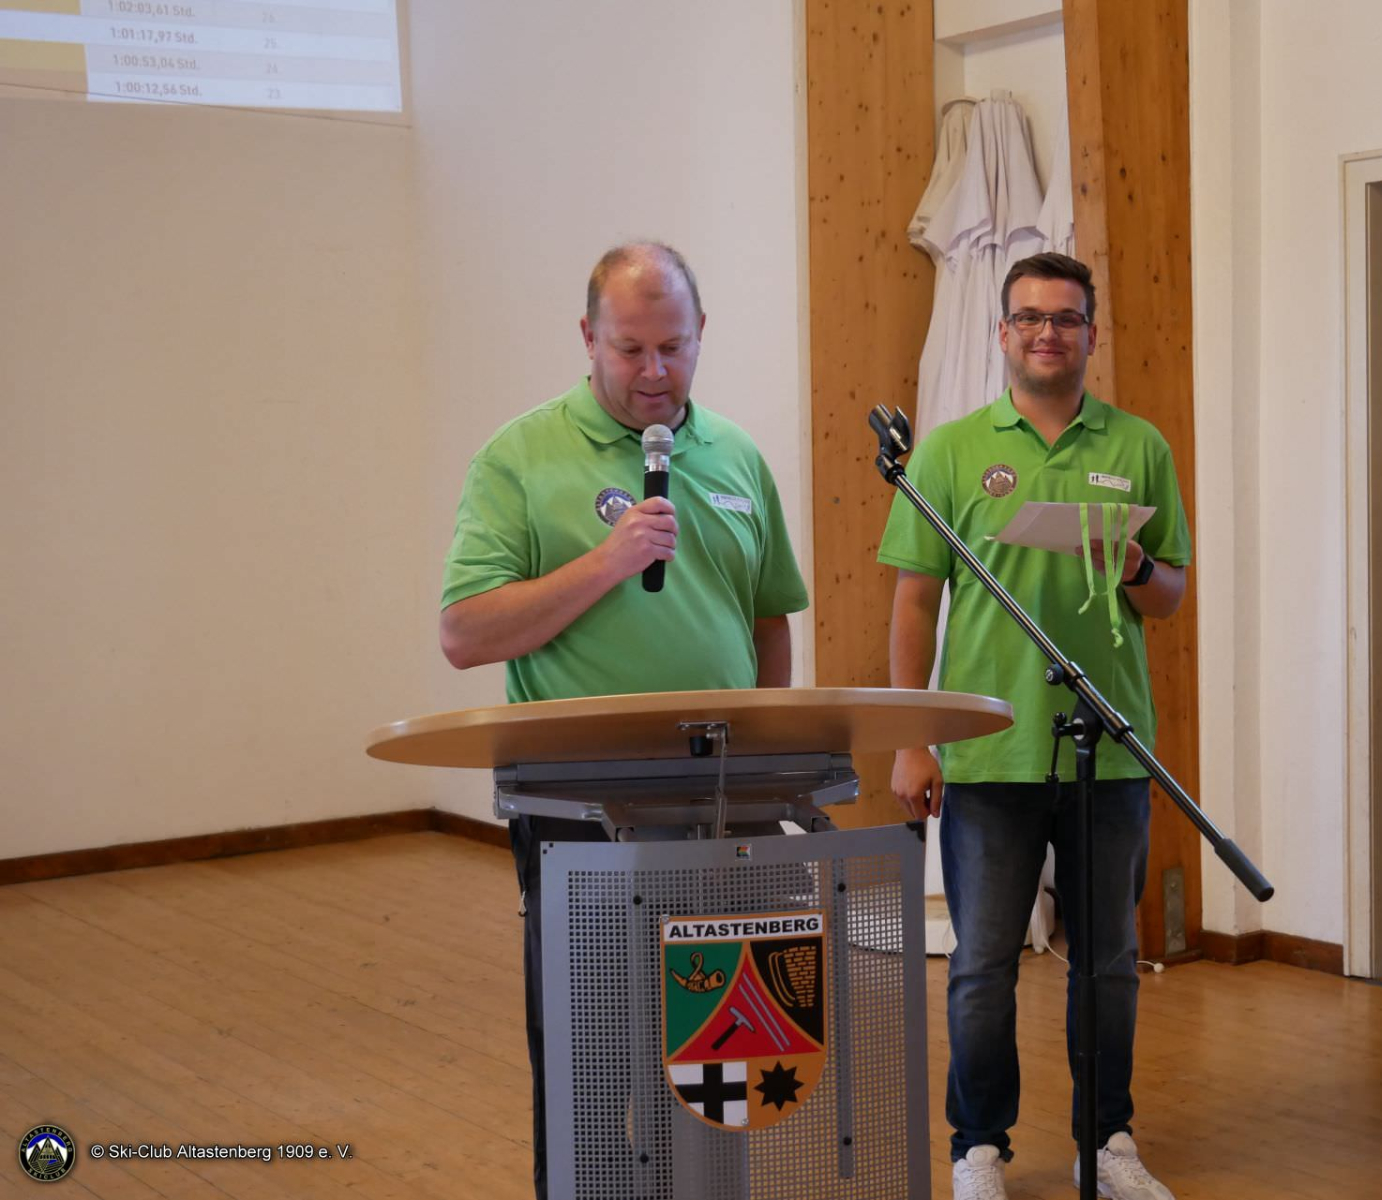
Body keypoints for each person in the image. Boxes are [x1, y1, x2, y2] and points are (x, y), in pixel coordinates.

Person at [438, 242, 809, 1199]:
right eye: (630, 348)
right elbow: (465, 633)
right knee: (594, 1067)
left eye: (672, 348)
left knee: (719, 1064)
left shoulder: (737, 457)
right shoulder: (520, 457)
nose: (653, 372)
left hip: (722, 809)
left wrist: (764, 766)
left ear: (701, 336)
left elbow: (768, 621)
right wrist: (609, 562)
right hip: (581, 811)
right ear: (587, 338)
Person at [877, 252, 1189, 1200]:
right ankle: (978, 1148)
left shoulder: (1139, 446)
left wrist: (1136, 565)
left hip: (1110, 748)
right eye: (1029, 317)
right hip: (989, 748)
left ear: (1091, 332)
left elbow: (1170, 594)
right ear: (1002, 332)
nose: (1047, 332)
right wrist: (912, 737)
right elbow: (913, 604)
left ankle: (1107, 1142)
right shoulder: (949, 452)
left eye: (1065, 318)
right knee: (981, 966)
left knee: (1108, 964)